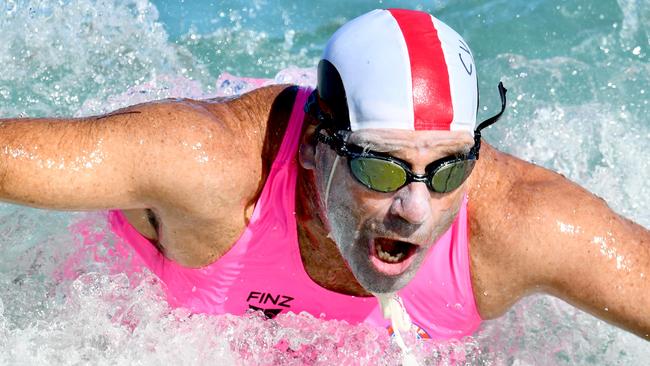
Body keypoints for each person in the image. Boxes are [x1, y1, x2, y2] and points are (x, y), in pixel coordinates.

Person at [0, 8, 648, 341]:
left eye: (447, 171)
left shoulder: (519, 225)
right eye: (381, 169)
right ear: (315, 144)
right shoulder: (208, 169)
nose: (417, 212)